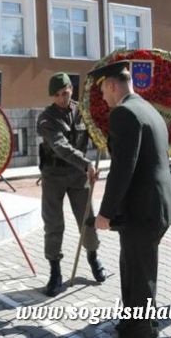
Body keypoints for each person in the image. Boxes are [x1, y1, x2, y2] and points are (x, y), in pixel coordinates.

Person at [91, 61, 171, 338]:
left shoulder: (124, 113)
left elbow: (122, 168)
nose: (104, 99)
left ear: (111, 85)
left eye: (103, 92)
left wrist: (105, 213)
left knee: (140, 274)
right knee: (131, 266)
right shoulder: (148, 108)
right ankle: (131, 323)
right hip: (151, 208)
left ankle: (142, 330)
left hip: (143, 210)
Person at [37, 72, 106, 297]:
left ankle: (93, 258)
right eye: (56, 95)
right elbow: (60, 146)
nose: (61, 98)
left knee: (88, 220)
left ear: (71, 89)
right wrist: (87, 163)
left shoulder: (83, 112)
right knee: (54, 224)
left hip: (78, 177)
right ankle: (55, 272)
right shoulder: (47, 118)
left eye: (65, 92)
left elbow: (98, 133)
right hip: (53, 177)